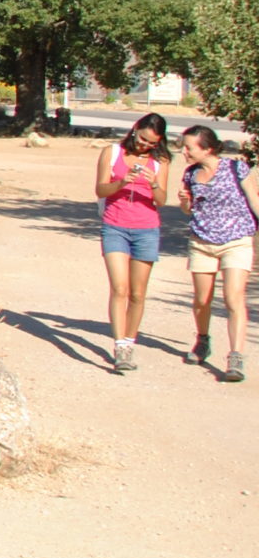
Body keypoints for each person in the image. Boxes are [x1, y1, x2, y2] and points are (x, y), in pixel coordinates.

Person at [177, 125, 257, 383]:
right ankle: (203, 340)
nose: (184, 152)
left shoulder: (236, 169)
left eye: (189, 147)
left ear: (207, 148)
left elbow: (253, 198)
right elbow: (189, 211)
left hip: (237, 240)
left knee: (233, 297)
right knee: (202, 299)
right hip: (202, 242)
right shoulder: (190, 174)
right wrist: (184, 202)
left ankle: (235, 356)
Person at [96, 113, 172, 373]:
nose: (143, 146)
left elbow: (162, 200)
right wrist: (121, 182)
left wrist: (153, 185)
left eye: (151, 143)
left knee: (138, 293)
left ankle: (129, 342)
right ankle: (119, 347)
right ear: (135, 129)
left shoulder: (160, 161)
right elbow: (100, 190)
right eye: (142, 139)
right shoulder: (112, 152)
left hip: (146, 229)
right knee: (120, 288)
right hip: (115, 226)